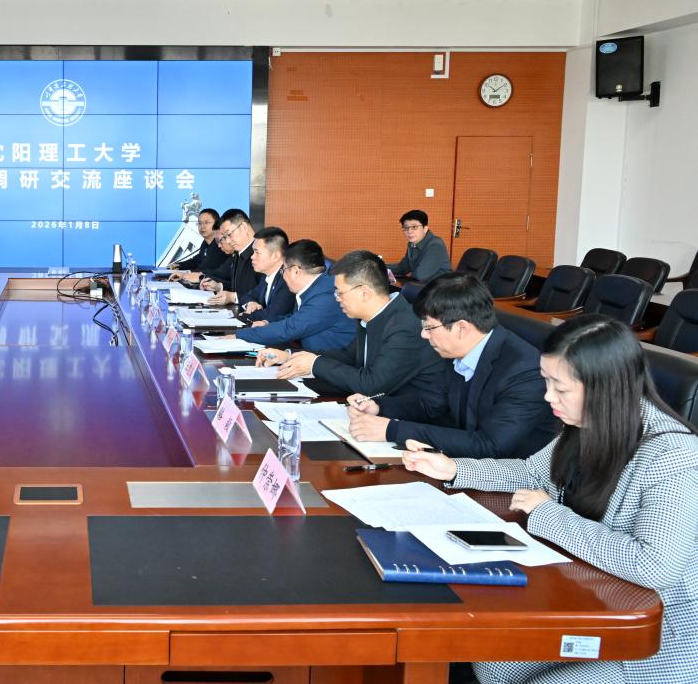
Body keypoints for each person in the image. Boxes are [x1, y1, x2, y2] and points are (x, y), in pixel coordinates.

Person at [402, 314, 698, 684]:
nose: (547, 397)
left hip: (661, 635)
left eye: (561, 388)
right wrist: (453, 468)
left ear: (605, 388)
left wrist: (548, 515)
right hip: (596, 595)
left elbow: (654, 566)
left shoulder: (673, 455)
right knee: (493, 665)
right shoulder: (586, 424)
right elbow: (531, 473)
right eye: (547, 381)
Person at [347, 272, 555, 458]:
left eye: (429, 327)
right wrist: (380, 407)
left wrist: (392, 430)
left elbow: (489, 445)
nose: (423, 335)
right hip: (458, 460)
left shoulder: (525, 371)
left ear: (461, 328)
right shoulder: (455, 349)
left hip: (508, 477)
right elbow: (432, 405)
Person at [267, 249, 444, 400]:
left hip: (411, 418)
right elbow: (349, 357)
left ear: (364, 293)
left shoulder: (405, 326)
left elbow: (373, 384)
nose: (337, 299)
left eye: (340, 293)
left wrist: (315, 364)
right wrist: (292, 357)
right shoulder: (370, 317)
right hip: (373, 408)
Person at [241, 239, 355, 351]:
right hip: (312, 355)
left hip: (331, 360)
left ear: (296, 271)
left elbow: (289, 329)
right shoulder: (315, 287)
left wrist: (238, 335)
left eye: (283, 270)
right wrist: (267, 323)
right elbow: (296, 317)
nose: (283, 276)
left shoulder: (325, 296)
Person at [235, 226, 294, 323]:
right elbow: (248, 295)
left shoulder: (287, 280)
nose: (252, 257)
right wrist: (251, 303)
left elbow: (273, 314)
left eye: (257, 252)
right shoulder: (267, 275)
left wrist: (247, 315)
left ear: (275, 256)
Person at [202, 210, 260, 304]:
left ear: (244, 227)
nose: (228, 241)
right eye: (225, 237)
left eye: (229, 234)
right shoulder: (239, 253)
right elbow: (239, 287)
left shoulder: (262, 254)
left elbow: (263, 294)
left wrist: (234, 297)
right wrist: (219, 287)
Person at [388, 209, 452, 282]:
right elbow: (403, 268)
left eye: (414, 227)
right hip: (423, 285)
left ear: (425, 228)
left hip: (442, 287)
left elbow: (420, 275)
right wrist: (379, 265)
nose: (409, 231)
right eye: (406, 228)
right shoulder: (412, 244)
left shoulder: (436, 245)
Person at [170, 208, 226, 273]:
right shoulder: (205, 243)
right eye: (199, 223)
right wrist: (178, 265)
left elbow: (204, 268)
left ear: (217, 224)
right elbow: (197, 260)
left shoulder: (220, 245)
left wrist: (185, 274)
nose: (202, 226)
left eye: (207, 222)